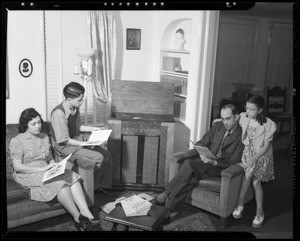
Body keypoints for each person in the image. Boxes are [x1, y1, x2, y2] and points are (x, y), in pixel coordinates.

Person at [9, 108, 99, 231]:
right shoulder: (17, 141)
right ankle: (77, 218)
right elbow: (17, 167)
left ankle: (87, 213)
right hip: (26, 173)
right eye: (33, 124)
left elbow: (49, 157)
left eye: (39, 122)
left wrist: (54, 165)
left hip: (45, 168)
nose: (38, 126)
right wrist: (44, 168)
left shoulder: (44, 137)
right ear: (25, 125)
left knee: (72, 176)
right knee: (61, 184)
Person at [155, 104, 244, 218]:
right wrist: (203, 152)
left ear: (236, 117)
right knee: (190, 178)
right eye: (222, 119)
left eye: (228, 119)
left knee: (188, 163)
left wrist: (215, 162)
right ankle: (169, 210)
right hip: (206, 162)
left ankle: (165, 193)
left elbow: (233, 161)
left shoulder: (241, 135)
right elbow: (201, 142)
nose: (225, 122)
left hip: (220, 167)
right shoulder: (218, 126)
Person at [50, 82, 113, 195]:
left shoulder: (75, 108)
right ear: (69, 99)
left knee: (107, 154)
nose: (82, 102)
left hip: (75, 141)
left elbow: (78, 126)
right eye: (79, 100)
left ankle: (99, 186)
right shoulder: (58, 113)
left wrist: (93, 129)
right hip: (64, 146)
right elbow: (63, 140)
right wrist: (83, 144)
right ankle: (90, 189)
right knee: (99, 157)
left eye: (82, 99)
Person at [230, 95, 277, 228]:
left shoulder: (269, 124)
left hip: (261, 155)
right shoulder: (245, 117)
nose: (247, 111)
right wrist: (219, 120)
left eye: (251, 109)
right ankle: (246, 207)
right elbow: (235, 117)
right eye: (247, 108)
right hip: (248, 152)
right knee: (250, 176)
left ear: (260, 110)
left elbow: (266, 147)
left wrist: (254, 158)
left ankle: (254, 210)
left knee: (255, 181)